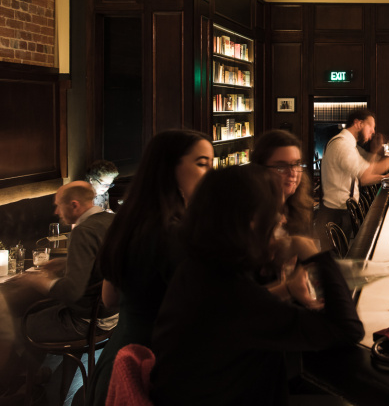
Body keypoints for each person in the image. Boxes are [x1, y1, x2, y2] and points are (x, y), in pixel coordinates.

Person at [149, 165, 364, 406]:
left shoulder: (198, 269)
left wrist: (285, 288)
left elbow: (235, 317)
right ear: (251, 221)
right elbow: (347, 330)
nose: (282, 219)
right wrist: (310, 251)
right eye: (274, 212)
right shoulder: (233, 295)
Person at [86, 130, 213, 406]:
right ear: (170, 168)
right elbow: (210, 312)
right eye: (202, 163)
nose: (210, 174)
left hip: (118, 360)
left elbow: (110, 299)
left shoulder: (126, 223)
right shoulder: (178, 235)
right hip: (156, 368)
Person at [15, 182, 115, 343]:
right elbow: (101, 263)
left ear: (74, 205)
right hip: (114, 314)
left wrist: (40, 281)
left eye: (59, 205)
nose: (56, 212)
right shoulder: (111, 219)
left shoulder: (83, 231)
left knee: (18, 327)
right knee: (42, 311)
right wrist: (66, 263)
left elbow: (71, 292)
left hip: (89, 321)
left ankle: (40, 359)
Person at [319, 108, 389, 236]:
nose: (373, 131)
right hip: (336, 214)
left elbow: (364, 178)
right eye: (371, 126)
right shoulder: (342, 145)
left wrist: (385, 177)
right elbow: (367, 172)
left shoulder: (348, 144)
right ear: (358, 123)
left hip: (341, 212)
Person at [250, 130, 314, 236]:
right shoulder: (252, 217)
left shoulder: (298, 208)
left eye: (296, 164)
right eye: (281, 166)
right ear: (260, 169)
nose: (292, 173)